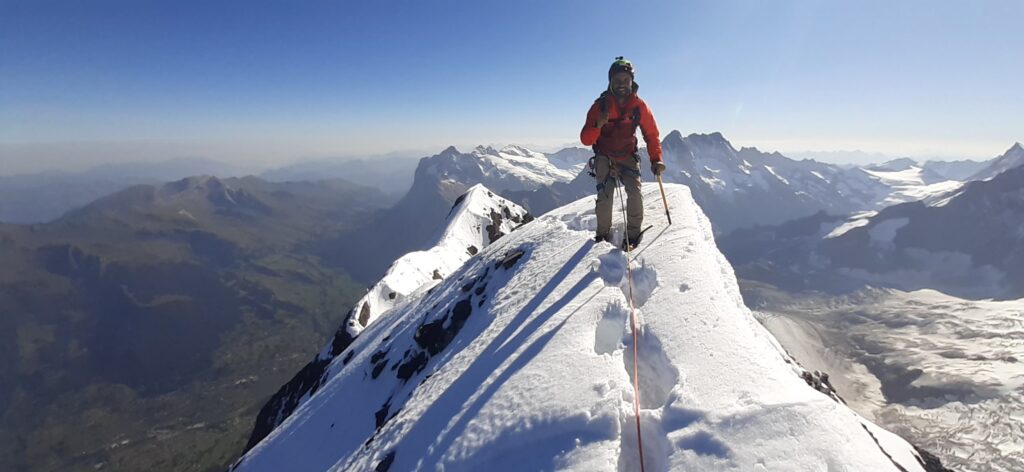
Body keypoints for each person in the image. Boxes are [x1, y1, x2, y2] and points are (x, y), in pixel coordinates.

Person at [581, 57, 666, 249]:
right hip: (604, 155)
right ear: (610, 82)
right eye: (618, 80)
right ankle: (602, 236)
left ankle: (633, 236)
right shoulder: (599, 107)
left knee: (634, 194)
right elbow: (586, 139)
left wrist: (656, 159)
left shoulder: (639, 106)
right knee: (605, 197)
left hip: (627, 154)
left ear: (632, 82)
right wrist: (598, 125)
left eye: (625, 80)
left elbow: (651, 134)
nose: (622, 85)